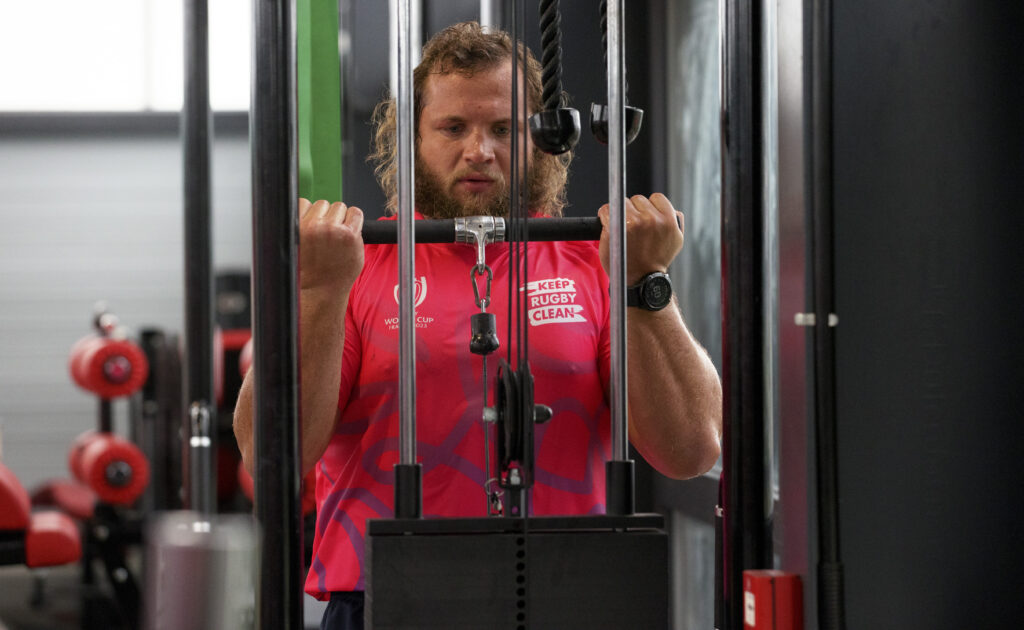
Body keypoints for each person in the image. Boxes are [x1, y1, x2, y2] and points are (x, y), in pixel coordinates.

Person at [234, 21, 722, 630]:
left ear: (538, 139)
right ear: (412, 137)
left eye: (503, 129)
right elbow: (268, 454)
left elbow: (692, 449)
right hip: (382, 597)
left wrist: (645, 284)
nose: (479, 151)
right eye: (453, 127)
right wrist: (317, 290)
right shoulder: (358, 268)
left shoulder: (595, 265)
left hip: (566, 593)